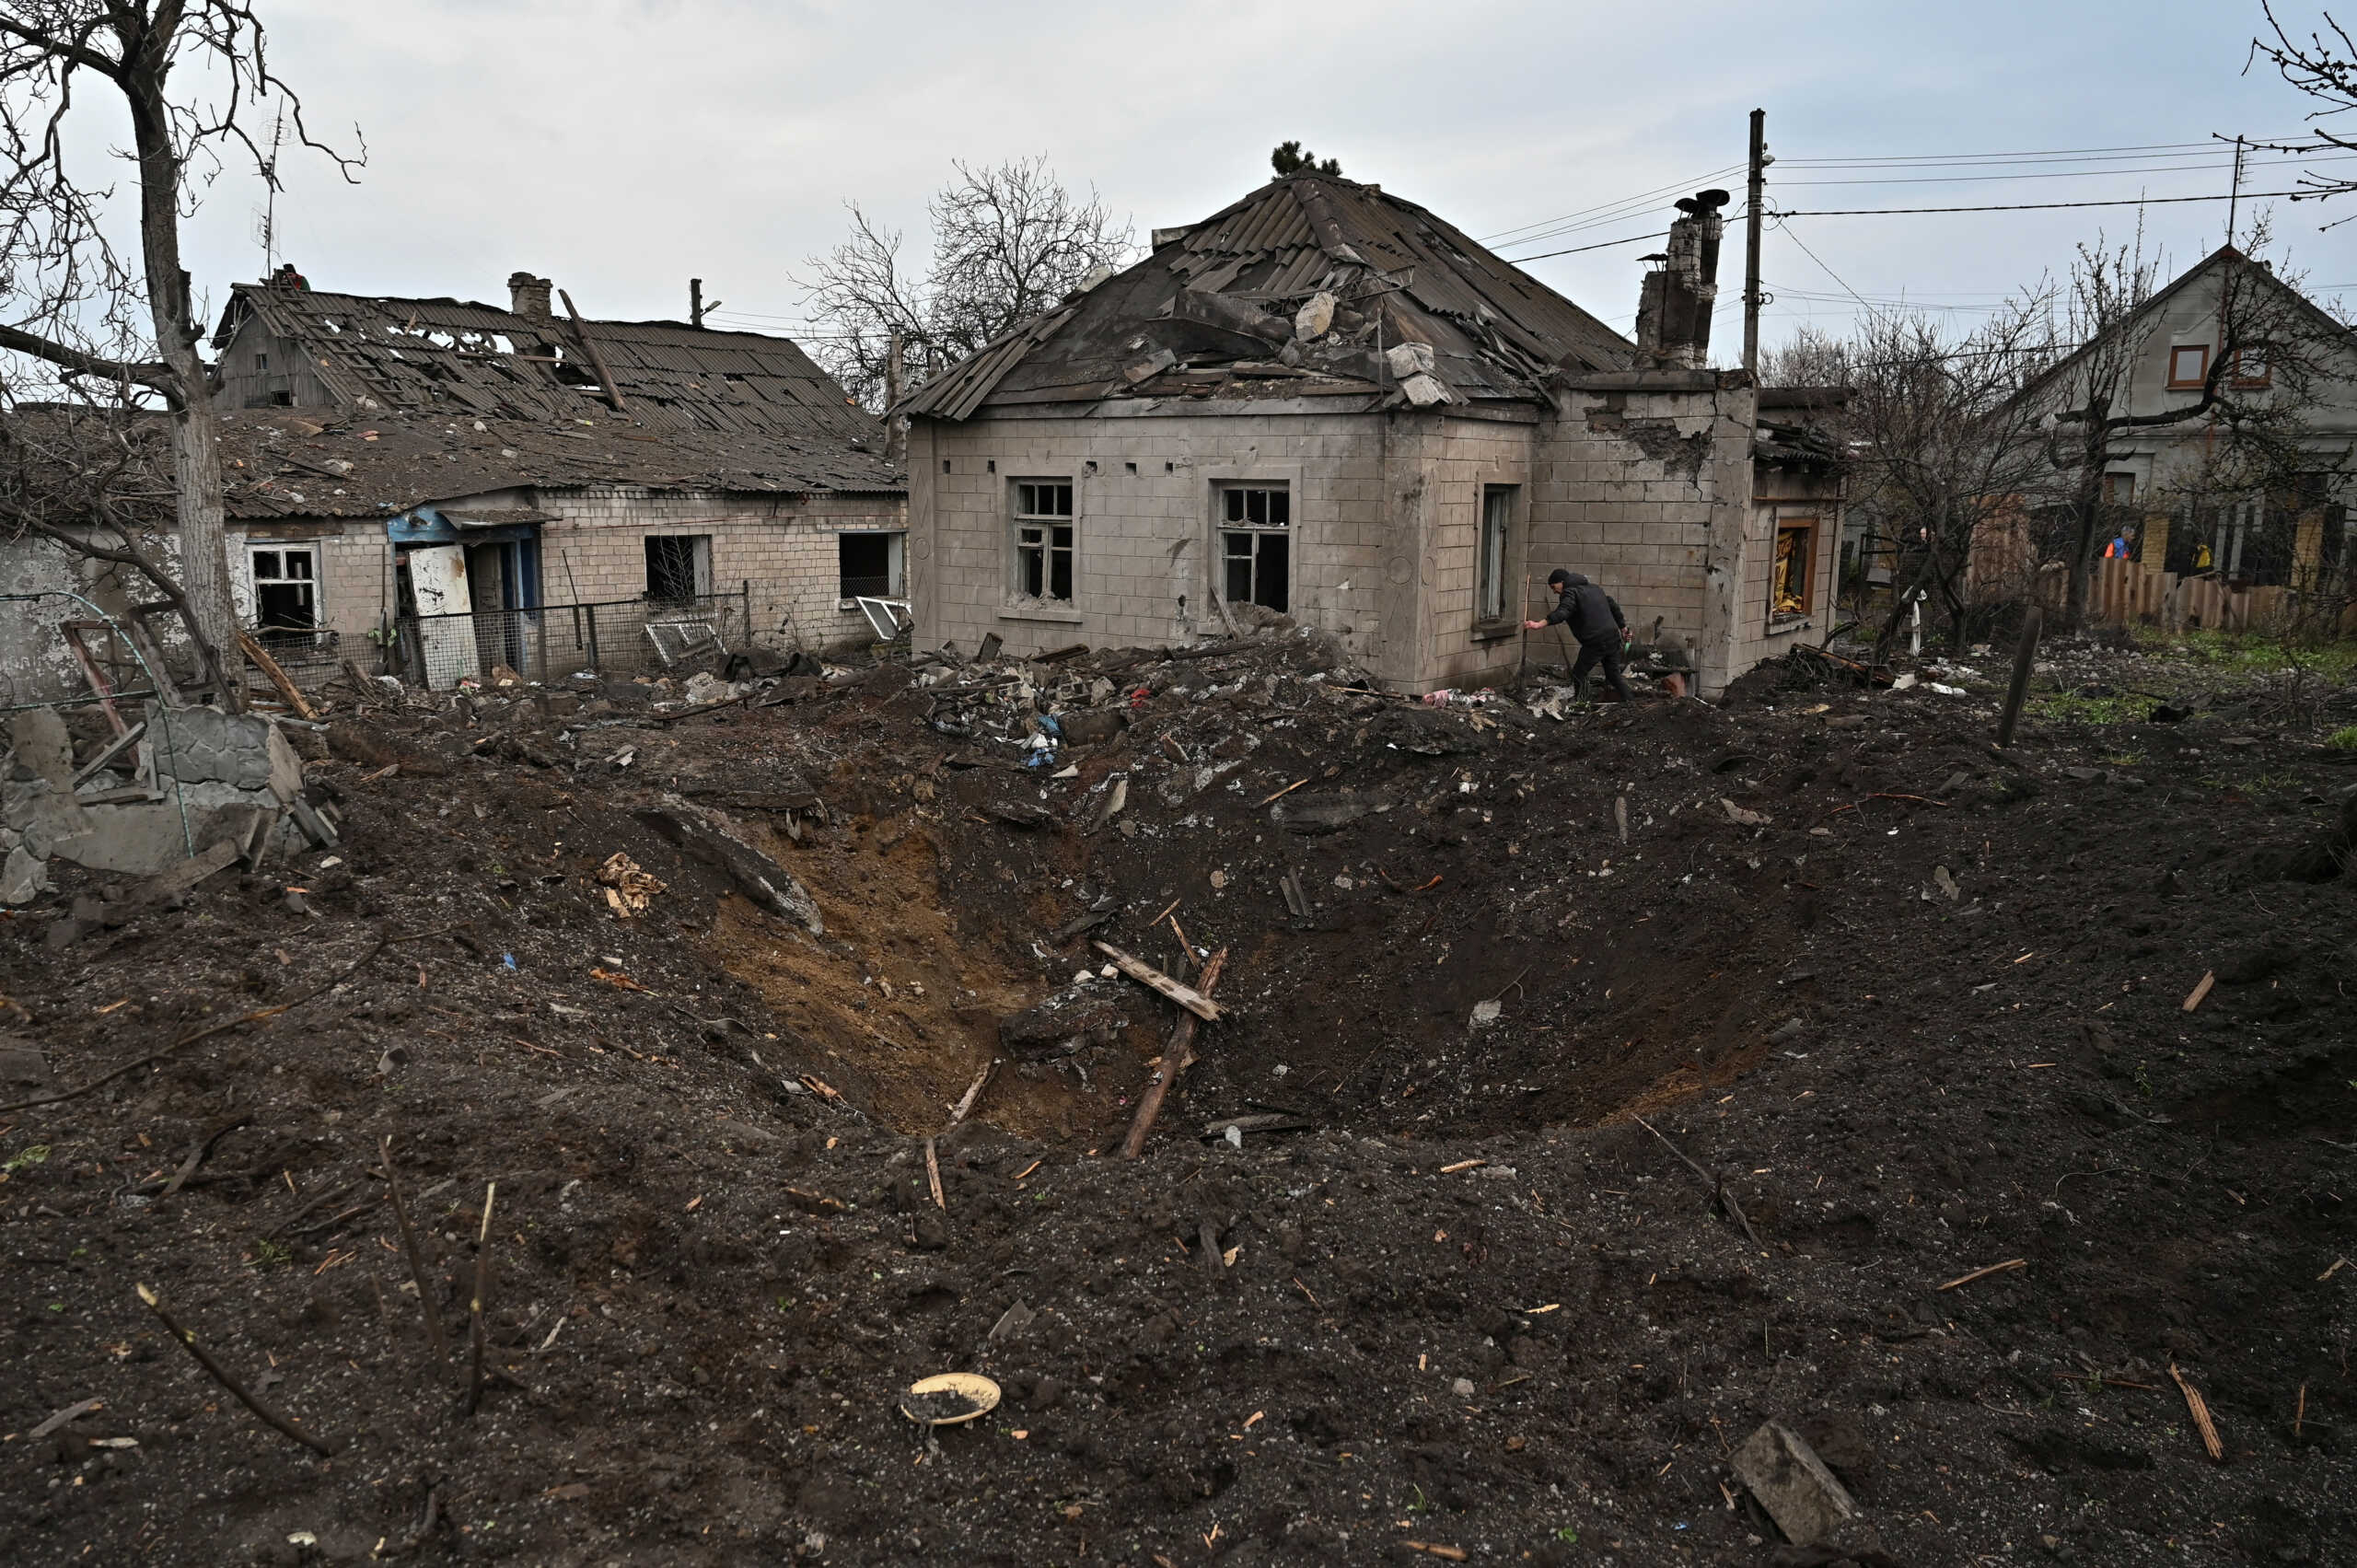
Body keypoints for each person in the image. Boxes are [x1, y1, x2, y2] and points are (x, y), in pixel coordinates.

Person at [1524, 567, 1633, 702]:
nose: (1554, 591)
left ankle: (1582, 705)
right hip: (1612, 637)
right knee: (1613, 675)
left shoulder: (1570, 592)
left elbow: (1564, 611)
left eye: (1554, 587)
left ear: (1562, 582)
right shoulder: (1595, 589)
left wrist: (1538, 624)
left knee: (1578, 674)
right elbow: (1612, 605)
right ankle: (1631, 702)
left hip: (1596, 641)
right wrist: (1622, 627)